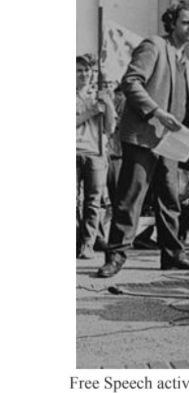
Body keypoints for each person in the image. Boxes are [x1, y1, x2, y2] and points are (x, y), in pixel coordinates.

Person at [97, 0, 189, 278]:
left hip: (170, 142)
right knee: (130, 197)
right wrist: (156, 112)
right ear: (172, 23)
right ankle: (116, 255)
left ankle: (173, 255)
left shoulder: (184, 61)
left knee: (170, 199)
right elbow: (130, 82)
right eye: (185, 22)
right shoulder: (154, 45)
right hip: (144, 137)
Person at [76, 56, 116, 259]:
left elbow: (110, 128)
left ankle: (87, 243)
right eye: (79, 71)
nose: (84, 74)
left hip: (96, 153)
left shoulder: (99, 95)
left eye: (87, 71)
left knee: (93, 201)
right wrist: (90, 112)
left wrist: (108, 104)